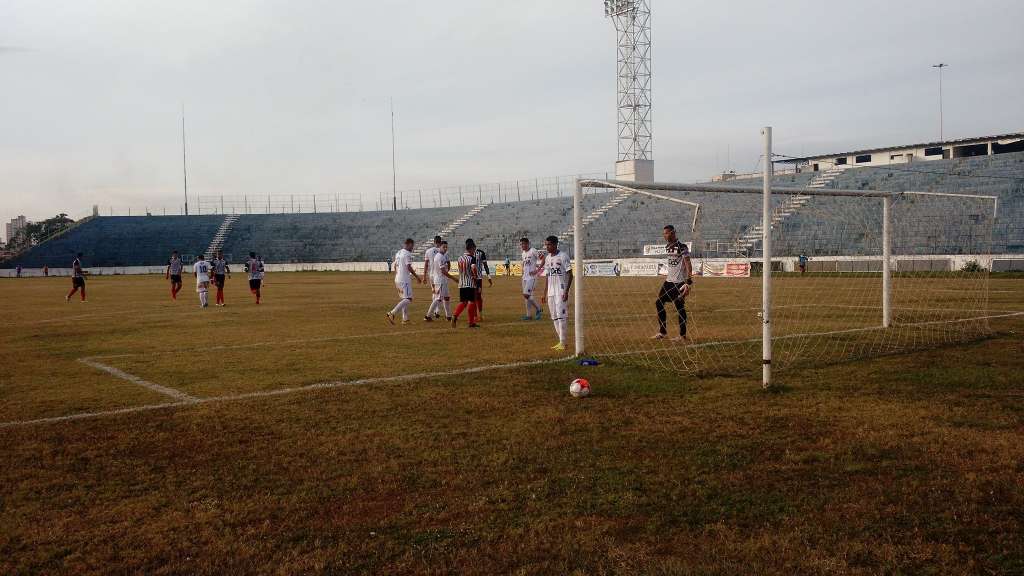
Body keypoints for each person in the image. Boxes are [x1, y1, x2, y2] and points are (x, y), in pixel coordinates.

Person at [652, 225, 692, 342]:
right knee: (659, 303)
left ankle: (682, 335)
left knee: (680, 307)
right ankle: (662, 332)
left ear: (673, 233)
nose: (664, 235)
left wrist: (688, 282)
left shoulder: (682, 247)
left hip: (679, 283)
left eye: (666, 233)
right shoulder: (668, 247)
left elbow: (688, 264)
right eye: (664, 233)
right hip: (669, 282)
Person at [542, 236, 572, 350]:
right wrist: (544, 293)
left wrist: (566, 291)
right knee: (554, 316)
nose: (547, 247)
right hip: (551, 291)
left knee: (561, 316)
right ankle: (561, 342)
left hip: (560, 290)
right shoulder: (548, 258)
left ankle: (563, 342)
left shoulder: (563, 256)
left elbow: (570, 274)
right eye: (546, 245)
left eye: (549, 244)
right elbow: (547, 276)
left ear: (555, 244)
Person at [386, 238, 421, 325]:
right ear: (409, 244)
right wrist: (417, 277)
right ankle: (392, 313)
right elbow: (409, 267)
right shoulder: (407, 253)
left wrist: (397, 275)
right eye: (412, 245)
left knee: (404, 298)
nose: (413, 247)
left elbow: (395, 266)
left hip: (398, 278)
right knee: (408, 299)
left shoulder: (399, 252)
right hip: (404, 279)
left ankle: (405, 319)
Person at [451, 239, 480, 329]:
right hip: (470, 283)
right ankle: (471, 322)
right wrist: (475, 276)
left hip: (462, 283)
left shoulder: (460, 258)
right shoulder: (471, 258)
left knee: (463, 302)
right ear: (471, 249)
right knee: (472, 302)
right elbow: (473, 267)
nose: (474, 251)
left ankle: (455, 315)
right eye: (474, 249)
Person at [428, 240, 456, 322]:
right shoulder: (439, 257)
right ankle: (428, 315)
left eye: (446, 247)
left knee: (447, 298)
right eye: (444, 247)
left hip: (443, 280)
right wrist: (454, 278)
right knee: (438, 299)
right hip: (440, 280)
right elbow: (443, 271)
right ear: (439, 247)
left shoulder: (442, 256)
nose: (445, 248)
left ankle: (448, 316)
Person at [520, 237, 545, 321]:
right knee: (527, 297)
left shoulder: (533, 250)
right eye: (521, 244)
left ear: (527, 244)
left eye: (523, 244)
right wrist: (522, 273)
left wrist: (537, 270)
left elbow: (543, 259)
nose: (522, 246)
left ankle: (538, 309)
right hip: (525, 277)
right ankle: (528, 315)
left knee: (527, 295)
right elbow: (524, 264)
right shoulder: (523, 253)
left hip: (532, 277)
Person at [422, 236, 443, 320]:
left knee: (434, 292)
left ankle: (435, 311)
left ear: (434, 241)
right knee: (439, 295)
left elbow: (426, 264)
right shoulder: (442, 251)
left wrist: (424, 276)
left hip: (431, 274)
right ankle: (436, 311)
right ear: (440, 242)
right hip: (438, 275)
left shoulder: (428, 251)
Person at [473, 247, 493, 321]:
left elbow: (485, 265)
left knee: (475, 297)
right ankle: (479, 315)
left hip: (474, 278)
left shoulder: (469, 253)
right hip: (478, 278)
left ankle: (476, 316)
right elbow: (485, 265)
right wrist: (489, 277)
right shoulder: (481, 253)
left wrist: (489, 277)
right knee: (477, 296)